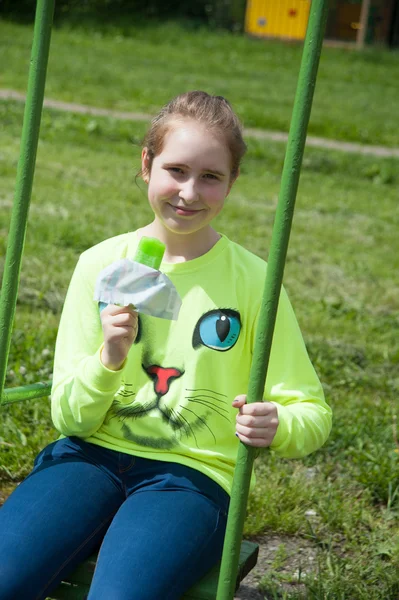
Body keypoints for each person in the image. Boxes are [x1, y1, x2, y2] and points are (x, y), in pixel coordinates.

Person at [0, 91, 332, 600]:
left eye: (211, 177)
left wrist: (278, 423)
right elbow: (69, 417)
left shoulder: (255, 284)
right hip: (87, 454)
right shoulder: (99, 264)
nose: (189, 192)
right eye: (176, 170)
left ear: (232, 182)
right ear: (146, 165)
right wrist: (109, 360)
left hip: (191, 477)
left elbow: (311, 411)